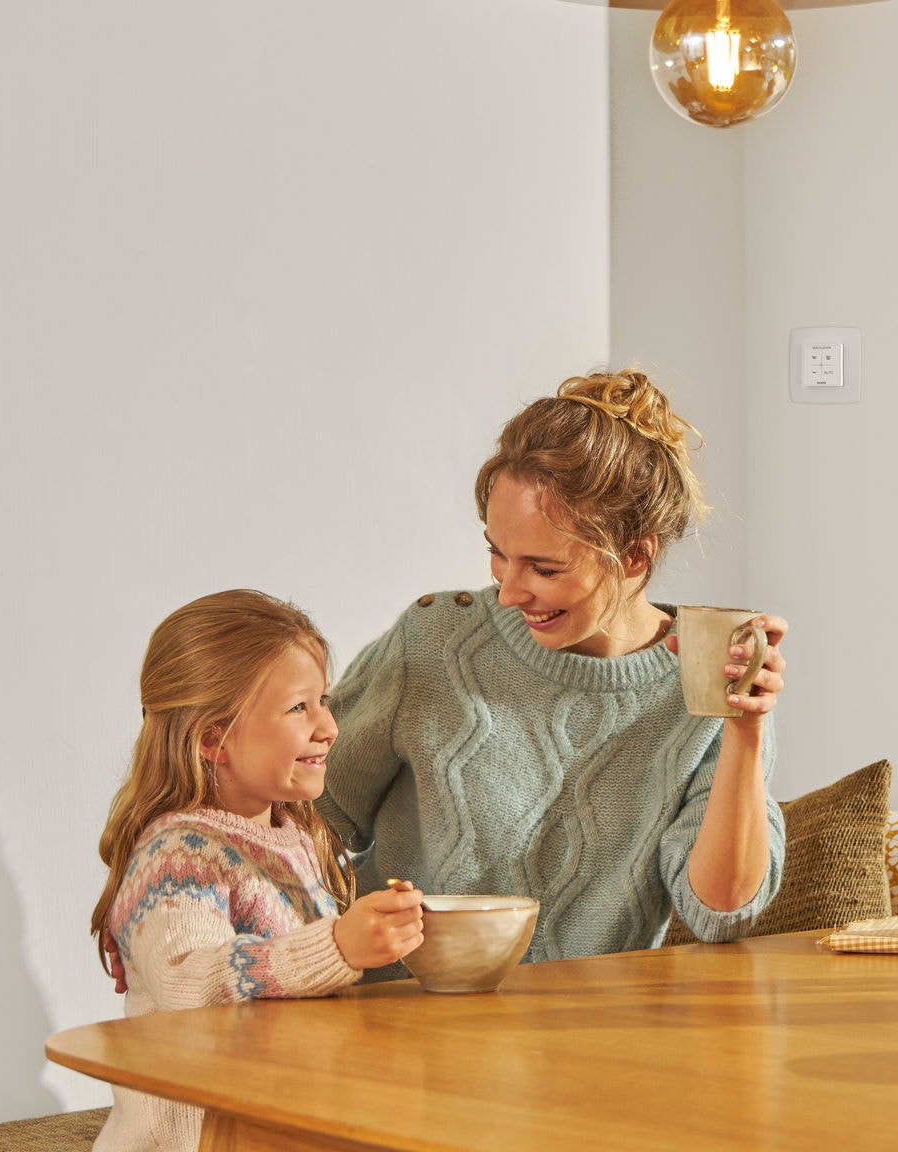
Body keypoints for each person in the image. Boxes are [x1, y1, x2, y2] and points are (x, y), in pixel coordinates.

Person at [317, 370, 789, 972]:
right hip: (397, 1019)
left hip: (582, 1036)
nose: (510, 592)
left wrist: (744, 729)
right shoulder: (437, 639)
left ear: (637, 556)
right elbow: (308, 817)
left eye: (543, 568)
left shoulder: (708, 680)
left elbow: (720, 913)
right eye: (497, 553)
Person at [89, 590, 426, 1152]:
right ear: (214, 739)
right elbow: (187, 985)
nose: (330, 727)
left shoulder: (289, 834)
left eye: (325, 700)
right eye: (300, 708)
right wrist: (337, 947)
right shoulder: (181, 855)